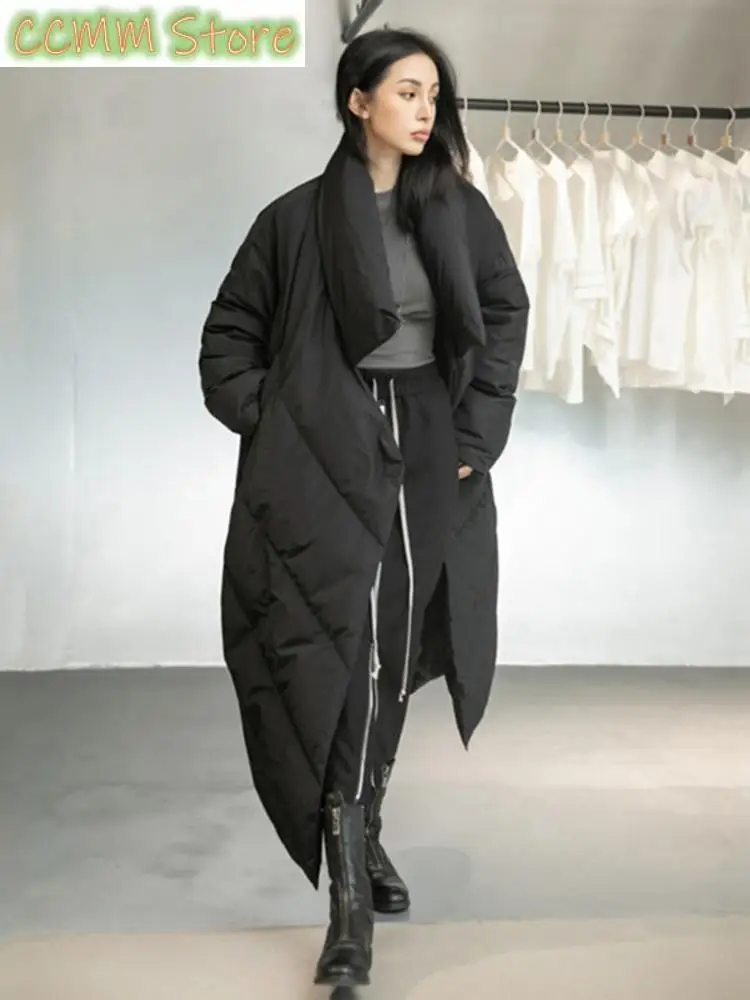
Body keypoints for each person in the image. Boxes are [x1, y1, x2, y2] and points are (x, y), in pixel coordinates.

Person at [198, 27, 529, 991]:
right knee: (342, 654)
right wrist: (277, 424)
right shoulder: (293, 222)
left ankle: (362, 830)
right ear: (358, 100)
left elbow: (503, 315)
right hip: (327, 442)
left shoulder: (457, 210)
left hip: (426, 436)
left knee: (394, 645)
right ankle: (349, 903)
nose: (426, 110)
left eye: (434, 95)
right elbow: (228, 338)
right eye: (407, 92)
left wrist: (475, 438)